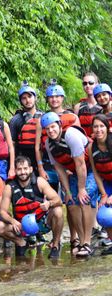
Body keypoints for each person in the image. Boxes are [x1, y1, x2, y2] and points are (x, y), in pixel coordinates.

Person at [41, 112, 97, 257]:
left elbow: (81, 165)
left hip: (90, 168)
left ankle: (87, 242)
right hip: (73, 171)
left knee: (83, 200)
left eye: (53, 127)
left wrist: (81, 188)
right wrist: (67, 192)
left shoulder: (70, 135)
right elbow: (60, 169)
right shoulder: (48, 143)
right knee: (71, 204)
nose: (51, 131)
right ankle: (80, 238)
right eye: (47, 129)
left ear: (59, 125)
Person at [0, 156, 64, 259]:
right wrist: (13, 221)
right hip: (22, 226)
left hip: (42, 223)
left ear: (30, 169)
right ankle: (22, 243)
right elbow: (2, 212)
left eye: (25, 168)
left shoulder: (39, 182)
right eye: (19, 169)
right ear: (15, 171)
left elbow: (58, 200)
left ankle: (55, 245)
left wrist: (49, 204)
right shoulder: (9, 187)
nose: (23, 172)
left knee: (58, 211)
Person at [35, 82, 80, 191]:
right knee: (51, 197)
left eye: (57, 96)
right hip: (49, 163)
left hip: (69, 162)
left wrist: (72, 167)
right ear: (47, 99)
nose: (54, 99)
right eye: (51, 97)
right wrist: (40, 168)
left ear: (62, 98)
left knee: (71, 200)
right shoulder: (42, 119)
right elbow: (37, 147)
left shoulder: (72, 117)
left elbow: (78, 145)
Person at [88, 114, 112, 254]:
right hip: (107, 182)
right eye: (95, 126)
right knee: (104, 214)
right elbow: (96, 172)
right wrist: (104, 194)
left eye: (101, 126)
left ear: (107, 128)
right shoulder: (92, 147)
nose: (98, 130)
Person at [9, 82, 43, 169]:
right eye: (24, 98)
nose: (27, 100)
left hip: (43, 158)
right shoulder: (15, 120)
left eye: (30, 97)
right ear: (20, 101)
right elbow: (12, 145)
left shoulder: (44, 117)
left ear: (35, 98)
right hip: (23, 159)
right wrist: (12, 167)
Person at [74, 72, 100, 137]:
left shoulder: (103, 105)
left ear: (97, 84)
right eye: (85, 83)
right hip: (84, 142)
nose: (87, 86)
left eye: (91, 83)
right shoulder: (78, 107)